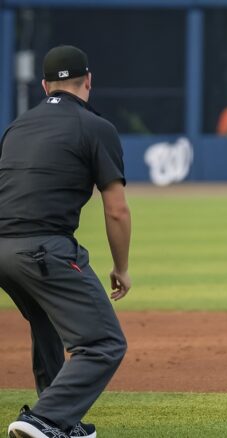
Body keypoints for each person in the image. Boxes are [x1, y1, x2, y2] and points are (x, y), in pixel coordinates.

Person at [0, 45, 132, 438]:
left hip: (3, 250)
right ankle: (46, 419)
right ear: (88, 80)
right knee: (105, 342)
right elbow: (117, 210)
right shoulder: (96, 127)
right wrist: (121, 267)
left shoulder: (16, 126)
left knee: (46, 323)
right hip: (42, 249)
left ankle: (64, 423)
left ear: (44, 86)